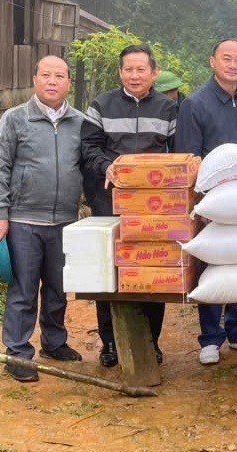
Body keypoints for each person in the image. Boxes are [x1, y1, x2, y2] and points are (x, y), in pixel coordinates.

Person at [0, 56, 85, 382]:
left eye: (59, 76)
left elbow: (87, 166)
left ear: (69, 82)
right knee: (23, 290)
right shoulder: (15, 118)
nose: (52, 81)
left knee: (58, 289)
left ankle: (54, 343)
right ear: (35, 79)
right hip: (24, 221)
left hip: (66, 221)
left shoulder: (80, 122)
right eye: (46, 75)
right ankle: (17, 353)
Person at [81, 44, 176, 368]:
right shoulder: (101, 105)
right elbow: (88, 147)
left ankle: (151, 341)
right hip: (109, 197)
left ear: (154, 73)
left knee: (152, 267)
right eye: (128, 70)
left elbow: (178, 152)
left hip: (152, 203)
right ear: (120, 72)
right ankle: (110, 342)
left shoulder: (167, 108)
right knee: (110, 268)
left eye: (141, 69)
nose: (135, 76)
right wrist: (106, 166)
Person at [175, 39, 237, 365]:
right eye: (226, 58)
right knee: (212, 263)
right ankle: (211, 337)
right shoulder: (195, 104)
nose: (232, 64)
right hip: (211, 201)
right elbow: (188, 156)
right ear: (212, 61)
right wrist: (199, 202)